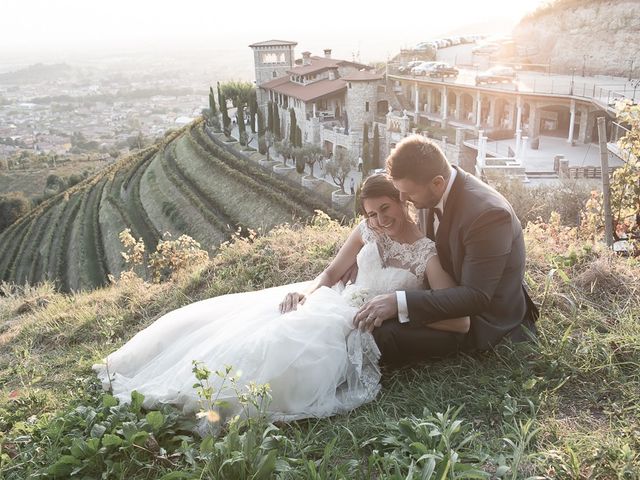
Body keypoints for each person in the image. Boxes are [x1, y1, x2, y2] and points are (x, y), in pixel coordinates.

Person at [93, 174, 468, 423]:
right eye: (371, 214)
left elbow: (455, 313)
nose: (379, 220)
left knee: (290, 357)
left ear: (402, 202)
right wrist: (304, 291)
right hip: (332, 302)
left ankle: (223, 398)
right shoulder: (366, 232)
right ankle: (191, 387)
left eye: (385, 209)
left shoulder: (426, 253)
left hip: (358, 324)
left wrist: (397, 309)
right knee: (269, 330)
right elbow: (329, 274)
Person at [353, 135, 538, 366]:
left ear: (437, 183)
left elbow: (476, 297)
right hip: (445, 294)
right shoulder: (429, 190)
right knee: (366, 322)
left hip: (480, 319)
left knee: (381, 334)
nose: (403, 199)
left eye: (408, 193)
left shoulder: (488, 215)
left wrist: (399, 303)